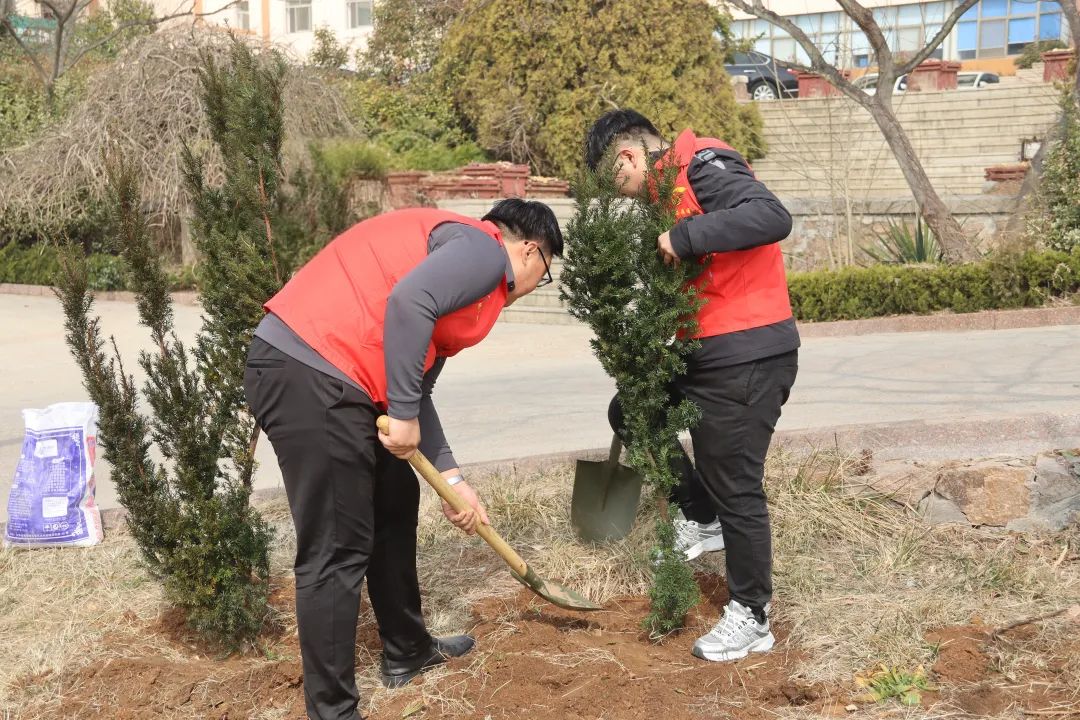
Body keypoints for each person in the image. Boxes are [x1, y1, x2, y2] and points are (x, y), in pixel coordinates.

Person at [243, 200, 563, 720]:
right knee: (337, 547)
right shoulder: (482, 250)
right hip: (311, 370)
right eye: (544, 272)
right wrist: (404, 413)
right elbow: (410, 302)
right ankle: (333, 712)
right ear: (530, 250)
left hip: (344, 382)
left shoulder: (465, 278)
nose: (533, 285)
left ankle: (407, 650)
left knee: (394, 502)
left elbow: (416, 385)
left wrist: (453, 480)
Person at [584, 109, 799, 662]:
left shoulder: (702, 163)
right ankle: (701, 517)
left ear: (626, 157)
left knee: (736, 485)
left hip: (748, 352)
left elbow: (770, 215)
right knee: (633, 408)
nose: (620, 195)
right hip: (706, 350)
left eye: (614, 181)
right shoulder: (668, 190)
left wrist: (684, 235)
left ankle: (752, 615)